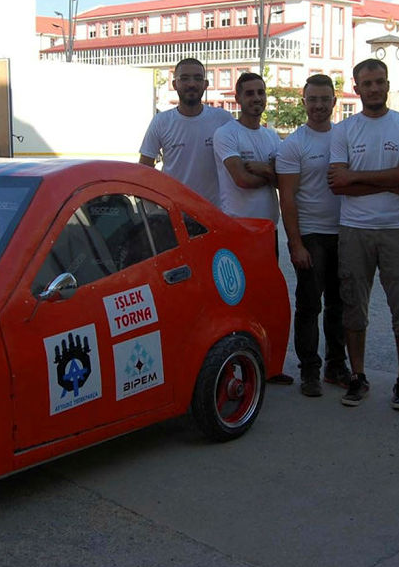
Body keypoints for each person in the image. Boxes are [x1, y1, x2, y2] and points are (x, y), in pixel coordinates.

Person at [327, 58, 399, 408]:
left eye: (380, 81)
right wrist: (388, 183)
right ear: (357, 88)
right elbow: (338, 184)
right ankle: (358, 376)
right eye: (367, 83)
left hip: (397, 229)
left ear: (388, 84)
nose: (375, 88)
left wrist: (356, 177)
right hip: (355, 230)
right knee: (353, 305)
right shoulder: (343, 130)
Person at [214, 71, 291, 386]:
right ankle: (236, 370)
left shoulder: (271, 137)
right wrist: (270, 172)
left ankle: (268, 367)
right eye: (249, 93)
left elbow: (286, 180)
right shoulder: (227, 134)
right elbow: (242, 180)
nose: (256, 99)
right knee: (237, 304)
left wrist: (264, 170)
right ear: (238, 98)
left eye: (260, 92)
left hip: (268, 233)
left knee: (266, 301)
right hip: (238, 232)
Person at [277, 75, 352, 396]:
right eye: (313, 100)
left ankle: (336, 366)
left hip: (345, 232)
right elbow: (287, 198)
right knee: (309, 306)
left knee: (339, 305)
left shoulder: (345, 137)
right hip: (311, 236)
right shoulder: (294, 144)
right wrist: (296, 244)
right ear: (304, 102)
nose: (319, 105)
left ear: (334, 102)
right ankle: (309, 370)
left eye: (325, 99)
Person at [139, 57, 232, 205]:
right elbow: (145, 168)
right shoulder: (161, 121)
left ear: (205, 84)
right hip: (173, 210)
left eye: (197, 78)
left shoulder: (223, 119)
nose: (191, 84)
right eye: (184, 78)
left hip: (214, 212)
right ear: (174, 84)